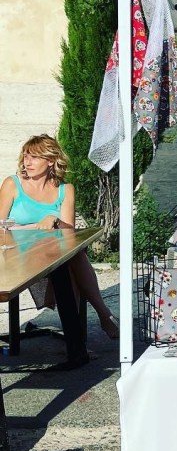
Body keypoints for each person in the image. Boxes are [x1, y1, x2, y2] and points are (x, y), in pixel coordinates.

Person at [0, 134, 118, 341]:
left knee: (74, 254)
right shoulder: (12, 184)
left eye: (34, 157)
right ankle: (98, 319)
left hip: (49, 251)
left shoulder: (65, 190)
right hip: (16, 254)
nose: (27, 162)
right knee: (75, 260)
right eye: (25, 156)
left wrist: (55, 220)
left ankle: (79, 341)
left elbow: (69, 231)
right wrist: (33, 226)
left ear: (51, 160)